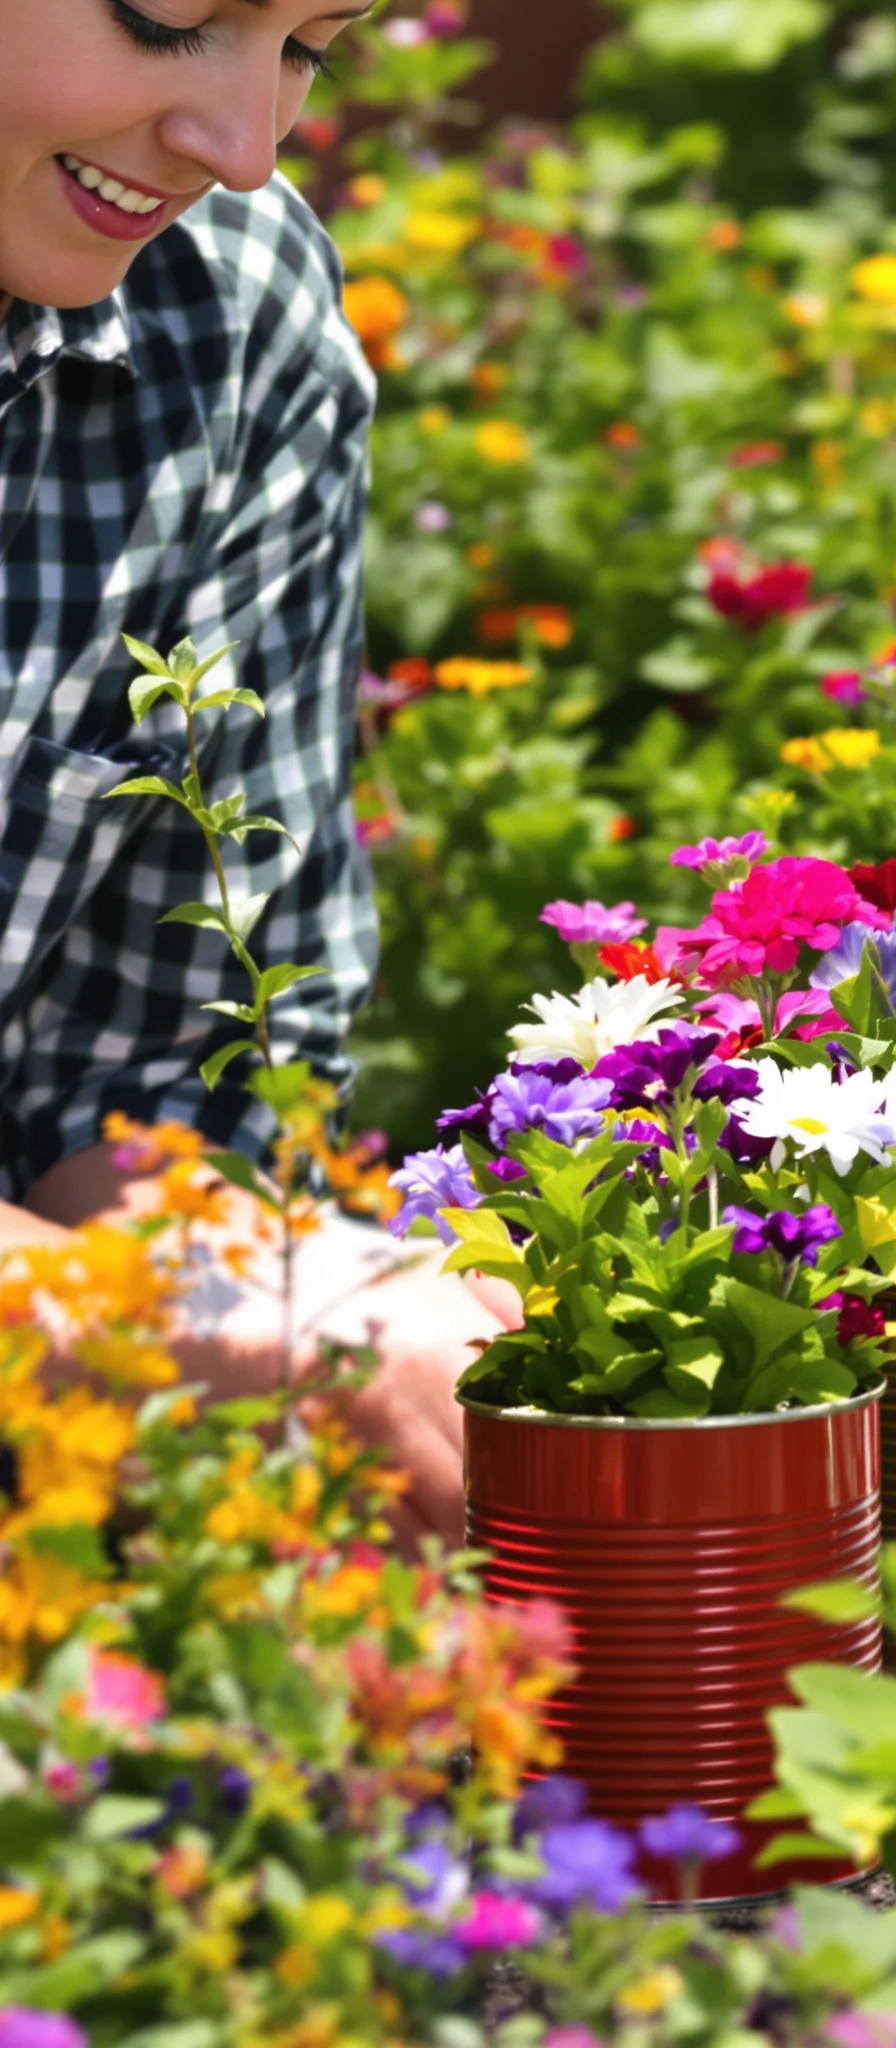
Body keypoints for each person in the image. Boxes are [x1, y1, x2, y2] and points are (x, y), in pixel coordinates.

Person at [0, 0, 513, 1538]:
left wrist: (304, 1314)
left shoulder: (224, 314)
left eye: (308, 46)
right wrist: (126, 1336)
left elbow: (148, 1074)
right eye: (167, 19)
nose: (240, 150)